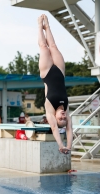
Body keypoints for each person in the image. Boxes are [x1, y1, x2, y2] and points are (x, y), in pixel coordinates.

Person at [38, 14, 73, 154]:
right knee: (53, 45)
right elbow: (69, 129)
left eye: (61, 119)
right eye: (65, 118)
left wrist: (61, 145)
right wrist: (69, 146)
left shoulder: (50, 112)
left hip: (46, 72)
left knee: (43, 47)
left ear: (55, 118)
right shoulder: (66, 107)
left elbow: (54, 128)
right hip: (60, 71)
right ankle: (48, 27)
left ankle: (39, 26)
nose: (63, 116)